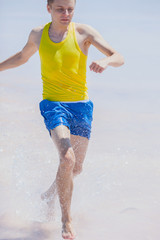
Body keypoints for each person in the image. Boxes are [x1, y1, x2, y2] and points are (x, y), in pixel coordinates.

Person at [0, 0, 124, 238]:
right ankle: (65, 220)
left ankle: (49, 194)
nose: (66, 13)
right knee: (67, 158)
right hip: (53, 105)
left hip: (81, 107)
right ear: (49, 9)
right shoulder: (38, 34)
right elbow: (22, 57)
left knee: (75, 168)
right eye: (60, 9)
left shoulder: (84, 32)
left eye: (70, 9)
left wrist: (106, 62)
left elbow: (118, 56)